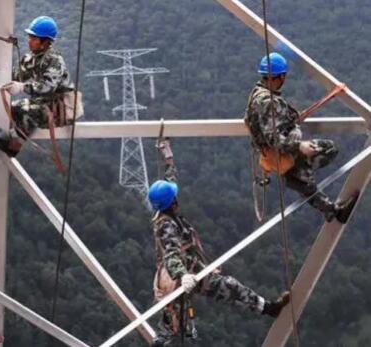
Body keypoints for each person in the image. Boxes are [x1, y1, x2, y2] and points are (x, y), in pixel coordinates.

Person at [149, 139, 290, 346]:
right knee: (174, 323)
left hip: (190, 269)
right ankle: (268, 308)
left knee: (174, 322)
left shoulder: (167, 211)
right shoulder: (166, 225)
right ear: (172, 202)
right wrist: (183, 275)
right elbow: (171, 255)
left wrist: (168, 156)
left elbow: (170, 180)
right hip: (177, 276)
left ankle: (267, 308)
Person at [244, 52, 358, 223]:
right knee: (328, 149)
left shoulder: (256, 94)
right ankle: (300, 173)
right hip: (283, 151)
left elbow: (255, 124)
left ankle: (327, 207)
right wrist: (299, 146)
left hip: (272, 153)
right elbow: (274, 139)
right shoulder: (269, 102)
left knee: (305, 183)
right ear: (280, 76)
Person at [0, 15, 76, 157]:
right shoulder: (32, 58)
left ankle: (14, 145)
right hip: (45, 103)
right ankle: (11, 135)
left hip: (61, 108)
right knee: (13, 109)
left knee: (25, 110)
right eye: (30, 37)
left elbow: (47, 87)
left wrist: (22, 87)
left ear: (45, 42)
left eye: (34, 38)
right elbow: (17, 74)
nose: (29, 41)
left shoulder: (54, 61)